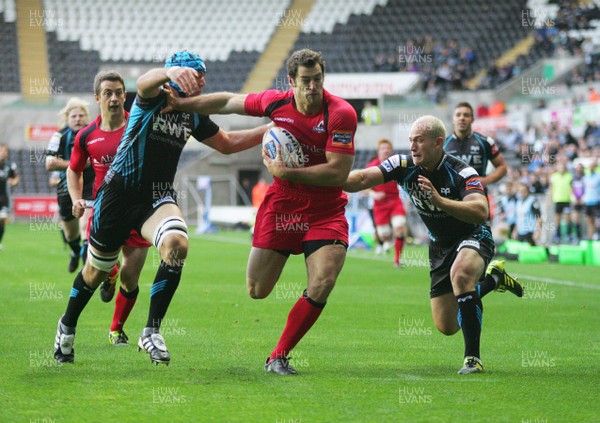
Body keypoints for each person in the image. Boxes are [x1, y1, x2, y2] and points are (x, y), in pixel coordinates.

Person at [53, 51, 271, 365]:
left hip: (155, 198)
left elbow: (227, 143)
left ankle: (151, 330)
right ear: (183, 75)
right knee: (95, 274)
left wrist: (268, 130)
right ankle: (67, 326)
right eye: (199, 75)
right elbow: (143, 82)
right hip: (116, 197)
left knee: (177, 244)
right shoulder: (152, 97)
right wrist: (171, 72)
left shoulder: (193, 113)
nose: (204, 82)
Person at [166, 48, 358, 375]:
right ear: (291, 81)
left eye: (318, 80)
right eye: (305, 81)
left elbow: (338, 174)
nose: (312, 87)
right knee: (257, 290)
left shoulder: (341, 113)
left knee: (324, 280)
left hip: (325, 210)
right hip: (283, 205)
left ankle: (279, 355)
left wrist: (287, 172)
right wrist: (182, 105)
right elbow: (227, 102)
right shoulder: (275, 102)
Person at [343, 115, 523, 374]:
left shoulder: (462, 171)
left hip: (473, 235)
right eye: (410, 140)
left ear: (438, 143)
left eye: (419, 140)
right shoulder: (402, 165)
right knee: (447, 325)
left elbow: (481, 211)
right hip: (439, 246)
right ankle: (494, 280)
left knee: (461, 276)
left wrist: (439, 201)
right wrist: (330, 176)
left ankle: (472, 359)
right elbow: (360, 179)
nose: (412, 146)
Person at [68, 70, 151, 346]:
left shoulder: (138, 126)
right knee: (97, 272)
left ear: (124, 95)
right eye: (108, 93)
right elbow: (74, 170)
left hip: (138, 211)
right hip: (106, 213)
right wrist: (76, 198)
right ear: (97, 97)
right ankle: (107, 274)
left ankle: (116, 329)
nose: (114, 98)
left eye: (118, 92)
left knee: (132, 276)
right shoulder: (86, 136)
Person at [46, 98, 95, 272]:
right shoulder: (59, 136)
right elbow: (50, 163)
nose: (77, 119)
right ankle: (75, 253)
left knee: (85, 229)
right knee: (70, 235)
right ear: (67, 118)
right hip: (66, 189)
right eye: (74, 116)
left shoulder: (94, 133)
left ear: (86, 117)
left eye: (81, 115)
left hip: (90, 187)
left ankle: (87, 274)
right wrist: (77, 164)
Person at [444, 102, 507, 192]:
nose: (462, 118)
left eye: (466, 115)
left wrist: (486, 180)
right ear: (453, 119)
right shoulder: (443, 144)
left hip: (478, 197)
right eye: (458, 115)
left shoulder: (485, 142)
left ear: (472, 119)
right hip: (452, 198)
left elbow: (502, 167)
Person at [366, 139, 407, 267]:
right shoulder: (372, 166)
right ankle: (383, 241)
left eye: (388, 148)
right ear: (378, 151)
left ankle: (397, 260)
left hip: (395, 201)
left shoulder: (397, 164)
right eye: (383, 148)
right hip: (380, 204)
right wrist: (374, 194)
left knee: (399, 226)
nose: (386, 150)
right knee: (384, 235)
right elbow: (365, 185)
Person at [0, 144, 19, 250]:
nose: (2, 152)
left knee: (2, 221)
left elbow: (16, 178)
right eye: (0, 150)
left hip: (4, 199)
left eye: (4, 151)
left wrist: (13, 182)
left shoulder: (10, 165)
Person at [550, 162, 574, 243]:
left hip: (567, 200)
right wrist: (550, 198)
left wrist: (572, 198)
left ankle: (569, 235)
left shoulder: (569, 176)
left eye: (563, 167)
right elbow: (551, 188)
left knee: (567, 219)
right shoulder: (554, 176)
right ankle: (557, 235)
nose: (561, 169)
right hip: (557, 200)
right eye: (560, 167)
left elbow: (571, 188)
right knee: (558, 219)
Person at [582, 159, 600, 240]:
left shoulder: (598, 176)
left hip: (596, 201)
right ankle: (590, 237)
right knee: (589, 220)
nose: (591, 167)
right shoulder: (586, 177)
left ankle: (597, 234)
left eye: (593, 166)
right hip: (588, 201)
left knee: (597, 220)